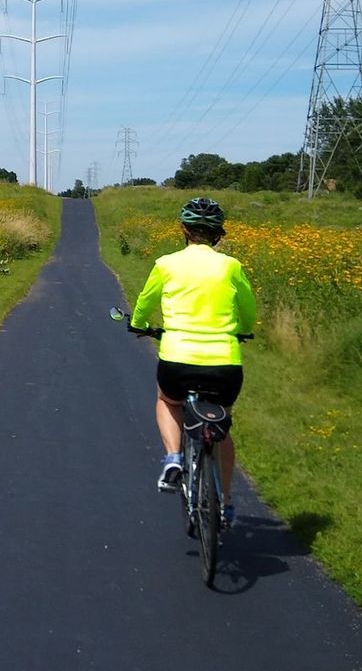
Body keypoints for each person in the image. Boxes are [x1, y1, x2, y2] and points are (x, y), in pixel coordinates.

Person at [130, 196, 256, 528]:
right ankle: (224, 504)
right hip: (224, 363)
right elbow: (248, 309)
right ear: (219, 234)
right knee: (222, 423)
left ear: (184, 230)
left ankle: (173, 458)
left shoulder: (166, 264)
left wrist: (139, 325)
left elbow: (145, 302)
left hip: (177, 359)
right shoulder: (231, 266)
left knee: (167, 401)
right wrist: (243, 330)